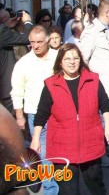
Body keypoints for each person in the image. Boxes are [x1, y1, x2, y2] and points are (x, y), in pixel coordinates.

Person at [30, 44, 109, 195]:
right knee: (68, 189)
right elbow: (41, 115)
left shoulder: (92, 80)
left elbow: (106, 105)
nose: (72, 62)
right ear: (60, 62)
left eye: (75, 58)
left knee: (94, 183)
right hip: (62, 145)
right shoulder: (51, 84)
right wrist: (36, 139)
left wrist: (108, 127)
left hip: (91, 141)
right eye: (67, 58)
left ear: (80, 60)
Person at [10, 25, 59, 194]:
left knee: (61, 150)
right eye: (32, 42)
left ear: (48, 40)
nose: (36, 46)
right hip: (36, 115)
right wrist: (19, 115)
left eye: (39, 42)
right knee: (44, 154)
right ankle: (50, 189)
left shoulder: (58, 57)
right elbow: (17, 90)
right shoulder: (24, 63)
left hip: (60, 113)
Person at [80, 0, 109, 166]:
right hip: (99, 84)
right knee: (98, 120)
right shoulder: (92, 32)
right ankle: (99, 153)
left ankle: (106, 146)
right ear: (107, 13)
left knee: (107, 116)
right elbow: (83, 58)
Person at [0, 9, 33, 113]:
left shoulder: (4, 31)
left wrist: (7, 26)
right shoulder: (3, 34)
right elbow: (28, 38)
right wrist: (27, 22)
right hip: (6, 91)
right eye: (6, 18)